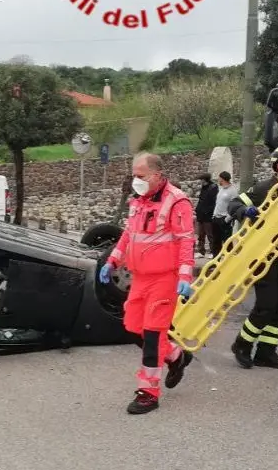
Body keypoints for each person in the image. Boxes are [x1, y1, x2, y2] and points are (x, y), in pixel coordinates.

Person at [98, 152, 196, 414]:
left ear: (157, 175)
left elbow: (186, 241)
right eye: (134, 175)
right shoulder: (138, 201)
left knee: (153, 334)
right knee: (132, 328)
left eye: (140, 175)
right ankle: (175, 355)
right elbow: (129, 235)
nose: (135, 180)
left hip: (164, 279)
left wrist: (186, 277)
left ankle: (147, 393)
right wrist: (112, 261)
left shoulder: (177, 202)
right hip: (140, 279)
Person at [226, 144, 278, 370]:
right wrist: (245, 212)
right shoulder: (264, 188)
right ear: (277, 167)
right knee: (266, 305)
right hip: (262, 255)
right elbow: (234, 203)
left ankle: (266, 352)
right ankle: (242, 344)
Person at [210, 171, 238, 256]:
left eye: (219, 178)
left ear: (222, 179)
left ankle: (228, 260)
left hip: (224, 219)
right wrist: (214, 215)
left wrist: (227, 219)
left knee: (227, 241)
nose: (218, 179)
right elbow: (218, 203)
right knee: (216, 241)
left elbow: (235, 206)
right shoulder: (221, 189)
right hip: (216, 218)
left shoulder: (233, 191)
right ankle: (215, 260)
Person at [193, 173, 218, 257]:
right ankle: (201, 251)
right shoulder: (203, 188)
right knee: (201, 234)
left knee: (210, 235)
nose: (200, 181)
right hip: (201, 215)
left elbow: (213, 203)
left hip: (208, 216)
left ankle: (212, 252)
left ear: (204, 179)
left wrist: (207, 212)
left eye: (201, 179)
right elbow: (201, 201)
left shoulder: (213, 188)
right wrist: (197, 210)